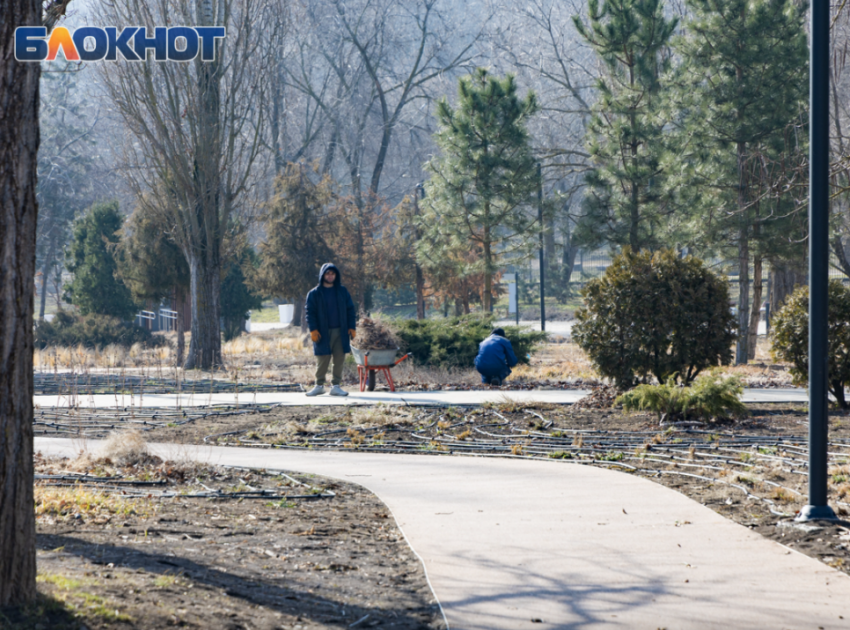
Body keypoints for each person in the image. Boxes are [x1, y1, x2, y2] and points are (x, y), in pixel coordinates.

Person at [305, 263, 357, 396]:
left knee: (339, 359)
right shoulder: (314, 294)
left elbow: (350, 309)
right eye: (327, 273)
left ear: (336, 275)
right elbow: (310, 313)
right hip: (322, 332)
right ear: (322, 275)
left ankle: (336, 386)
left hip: (341, 331)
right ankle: (319, 386)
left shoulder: (342, 291)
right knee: (322, 359)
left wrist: (352, 326)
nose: (330, 276)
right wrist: (313, 329)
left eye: (332, 273)